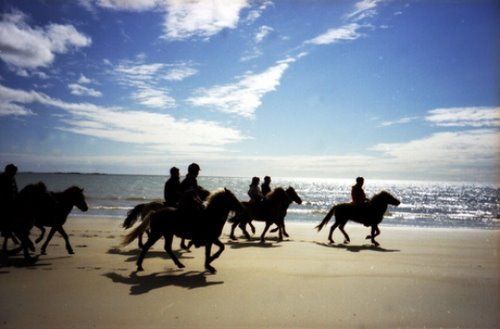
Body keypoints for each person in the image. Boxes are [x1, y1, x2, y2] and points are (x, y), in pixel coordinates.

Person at [0, 164, 19, 249]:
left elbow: (15, 189)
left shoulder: (12, 178)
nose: (14, 174)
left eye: (15, 173)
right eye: (13, 172)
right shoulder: (2, 177)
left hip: (12, 201)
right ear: (8, 171)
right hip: (3, 203)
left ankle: (14, 234)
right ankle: (5, 243)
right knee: (7, 219)